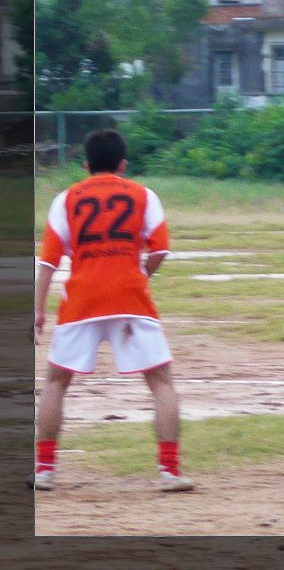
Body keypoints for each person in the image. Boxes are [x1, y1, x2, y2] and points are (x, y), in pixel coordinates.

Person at [31, 129, 194, 492]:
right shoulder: (144, 195)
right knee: (161, 383)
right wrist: (139, 275)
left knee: (56, 382)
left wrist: (38, 309)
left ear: (86, 165)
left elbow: (48, 262)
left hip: (81, 300)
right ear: (123, 164)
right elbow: (159, 251)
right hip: (130, 299)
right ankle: (169, 472)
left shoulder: (65, 199)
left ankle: (44, 470)